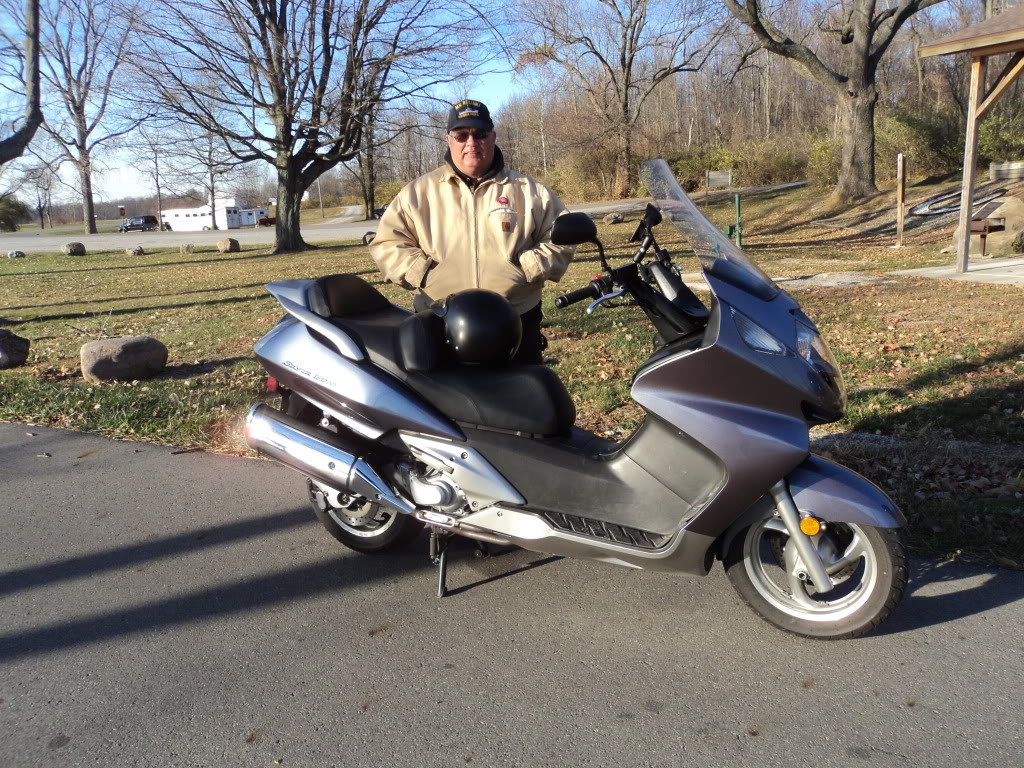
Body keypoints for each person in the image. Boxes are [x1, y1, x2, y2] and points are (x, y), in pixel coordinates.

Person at [369, 99, 574, 364]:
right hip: (439, 322)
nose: (471, 142)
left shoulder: (528, 190)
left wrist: (529, 266)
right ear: (448, 140)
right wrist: (422, 273)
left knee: (519, 401)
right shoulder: (418, 193)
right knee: (443, 403)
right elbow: (387, 243)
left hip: (515, 320)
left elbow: (561, 237)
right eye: (461, 135)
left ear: (493, 137)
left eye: (480, 134)